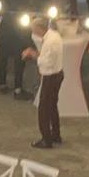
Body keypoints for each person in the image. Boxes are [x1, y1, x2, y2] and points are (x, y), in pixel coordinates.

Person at [23, 19, 64, 149]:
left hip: (50, 76)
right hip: (58, 74)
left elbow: (45, 62)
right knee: (52, 106)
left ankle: (46, 139)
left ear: (40, 29)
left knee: (43, 108)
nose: (33, 32)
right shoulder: (54, 35)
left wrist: (33, 54)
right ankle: (56, 134)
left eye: (34, 29)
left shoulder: (50, 41)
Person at [0, 0, 29, 98]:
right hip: (17, 33)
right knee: (19, 61)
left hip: (4, 32)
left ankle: (3, 85)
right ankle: (17, 89)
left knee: (3, 59)